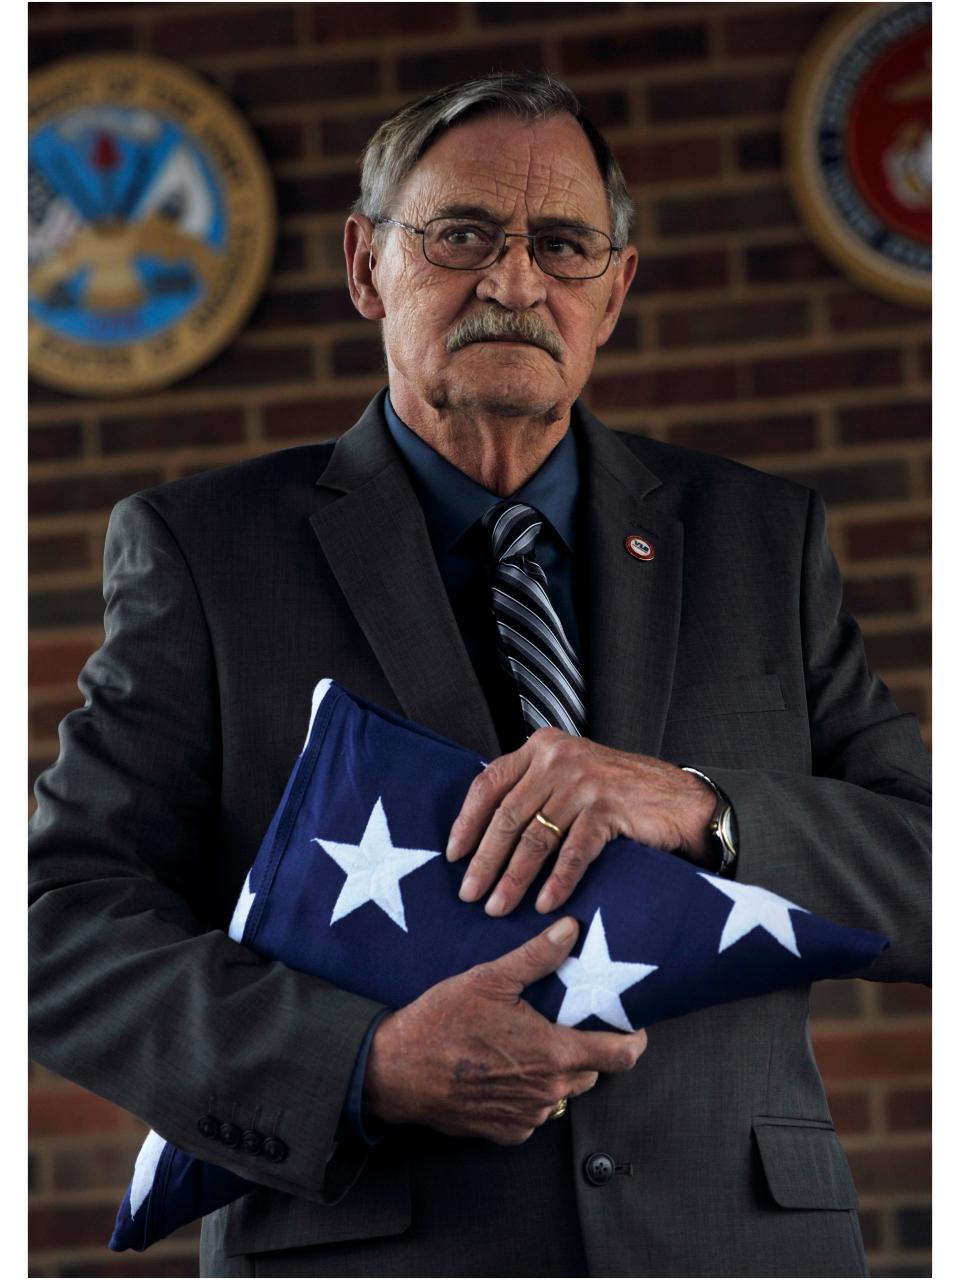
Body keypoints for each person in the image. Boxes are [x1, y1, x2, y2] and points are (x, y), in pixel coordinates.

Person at [29, 72, 930, 1278]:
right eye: (461, 235)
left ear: (615, 291)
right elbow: (56, 923)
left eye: (563, 245)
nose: (514, 283)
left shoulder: (762, 539)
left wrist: (706, 806)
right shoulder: (206, 553)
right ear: (366, 266)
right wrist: (364, 1060)